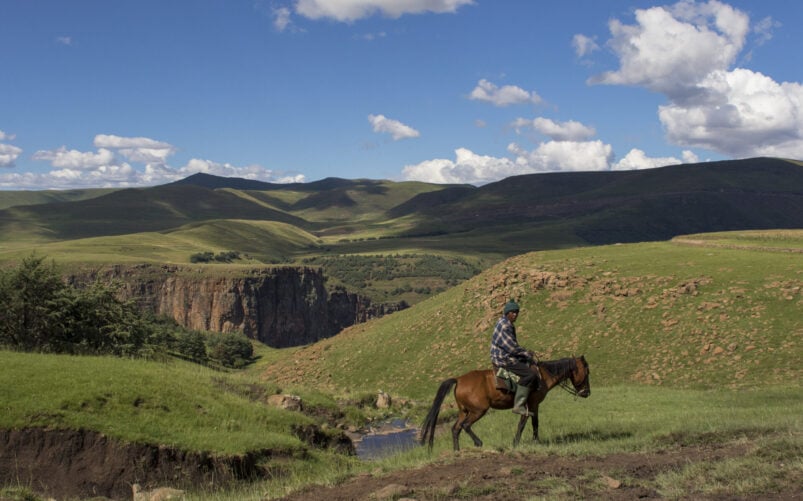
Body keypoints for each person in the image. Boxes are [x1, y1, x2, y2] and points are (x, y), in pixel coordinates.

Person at [490, 299, 540, 416]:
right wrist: (526, 353)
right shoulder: (506, 326)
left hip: (501, 355)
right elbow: (512, 348)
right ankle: (519, 405)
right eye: (512, 312)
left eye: (516, 312)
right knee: (530, 374)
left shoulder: (502, 321)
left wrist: (523, 352)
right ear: (507, 313)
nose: (515, 315)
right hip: (504, 358)